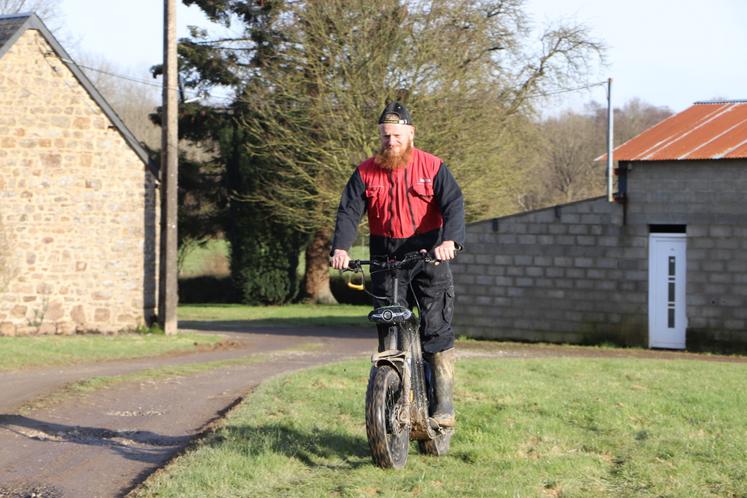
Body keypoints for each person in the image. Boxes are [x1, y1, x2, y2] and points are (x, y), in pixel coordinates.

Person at [330, 101, 465, 427]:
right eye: (386, 136)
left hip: (429, 255)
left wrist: (450, 241)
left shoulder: (433, 167)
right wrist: (341, 249)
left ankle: (442, 406)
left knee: (435, 329)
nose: (391, 142)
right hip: (385, 256)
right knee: (388, 324)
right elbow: (348, 212)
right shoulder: (365, 172)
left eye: (397, 135)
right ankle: (390, 400)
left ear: (411, 134)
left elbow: (454, 205)